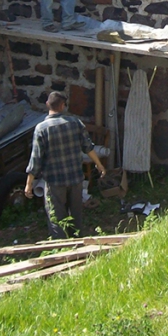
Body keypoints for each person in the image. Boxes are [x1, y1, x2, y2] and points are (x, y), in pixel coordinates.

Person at [25, 91, 106, 239]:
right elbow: (88, 148)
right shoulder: (75, 123)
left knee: (57, 218)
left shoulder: (41, 129)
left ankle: (62, 248)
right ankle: (78, 245)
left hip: (55, 182)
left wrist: (29, 184)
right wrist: (99, 165)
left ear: (47, 105)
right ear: (62, 106)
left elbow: (35, 159)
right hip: (75, 179)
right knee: (76, 216)